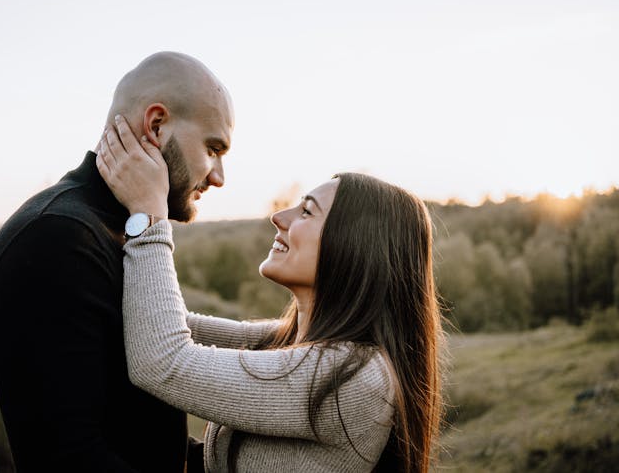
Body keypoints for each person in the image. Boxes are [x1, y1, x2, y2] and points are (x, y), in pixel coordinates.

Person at [96, 121, 444, 472]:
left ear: (357, 247)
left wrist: (148, 214)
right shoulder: (293, 340)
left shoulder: (353, 376)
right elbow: (168, 326)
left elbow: (162, 360)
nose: (279, 217)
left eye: (307, 211)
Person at [0, 51, 234, 472]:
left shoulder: (126, 227)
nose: (219, 175)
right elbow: (67, 458)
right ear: (156, 125)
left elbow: (139, 430)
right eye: (213, 148)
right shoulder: (54, 237)